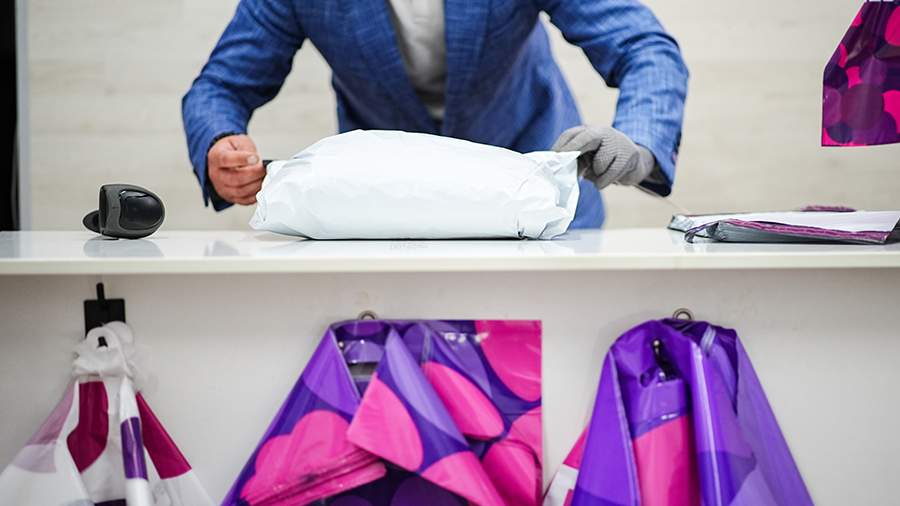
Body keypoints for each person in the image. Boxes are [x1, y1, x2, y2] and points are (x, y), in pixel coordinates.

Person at [182, 0, 688, 228]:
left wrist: (640, 143)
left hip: (544, 208)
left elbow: (642, 47)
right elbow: (220, 86)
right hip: (386, 218)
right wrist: (219, 143)